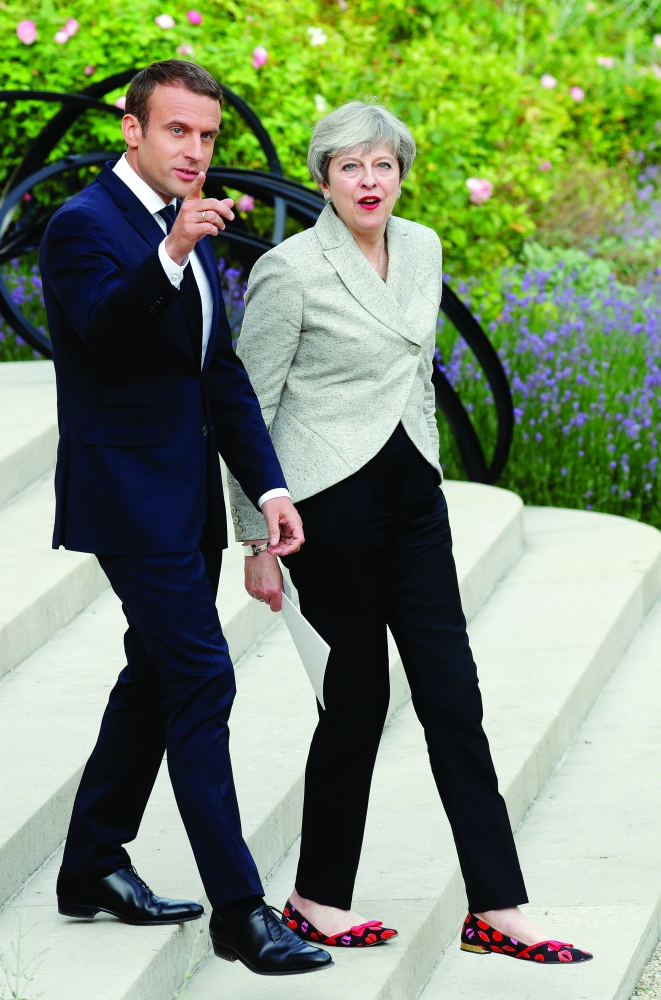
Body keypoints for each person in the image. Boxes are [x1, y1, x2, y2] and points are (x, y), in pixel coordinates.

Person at [228, 100, 592, 965]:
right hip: (328, 509)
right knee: (354, 702)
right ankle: (317, 898)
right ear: (323, 179)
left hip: (415, 501)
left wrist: (427, 462)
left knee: (454, 697)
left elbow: (415, 372)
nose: (369, 181)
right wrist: (254, 541)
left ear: (401, 174)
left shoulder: (423, 247)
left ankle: (497, 906)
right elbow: (246, 409)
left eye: (383, 165)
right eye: (350, 166)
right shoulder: (289, 269)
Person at [39, 59, 332, 977]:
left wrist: (269, 491)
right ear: (133, 129)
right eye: (177, 130)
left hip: (190, 500)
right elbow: (104, 334)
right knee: (202, 678)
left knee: (155, 676)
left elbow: (220, 374)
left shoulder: (186, 225)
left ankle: (91, 862)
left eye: (207, 135)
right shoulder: (84, 225)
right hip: (126, 499)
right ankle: (241, 913)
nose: (196, 150)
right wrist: (168, 254)